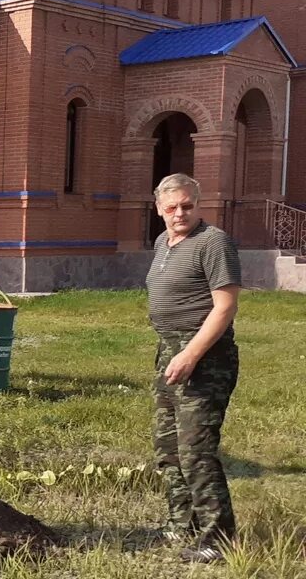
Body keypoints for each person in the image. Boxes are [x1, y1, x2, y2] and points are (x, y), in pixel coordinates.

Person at [146, 174, 241, 564]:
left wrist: (190, 355)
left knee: (196, 451)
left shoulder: (213, 242)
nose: (179, 213)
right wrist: (172, 352)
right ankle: (180, 522)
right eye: (171, 208)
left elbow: (225, 307)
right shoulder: (162, 242)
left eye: (187, 205)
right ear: (159, 210)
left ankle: (218, 540)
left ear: (198, 204)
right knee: (167, 448)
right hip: (168, 349)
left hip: (205, 357)